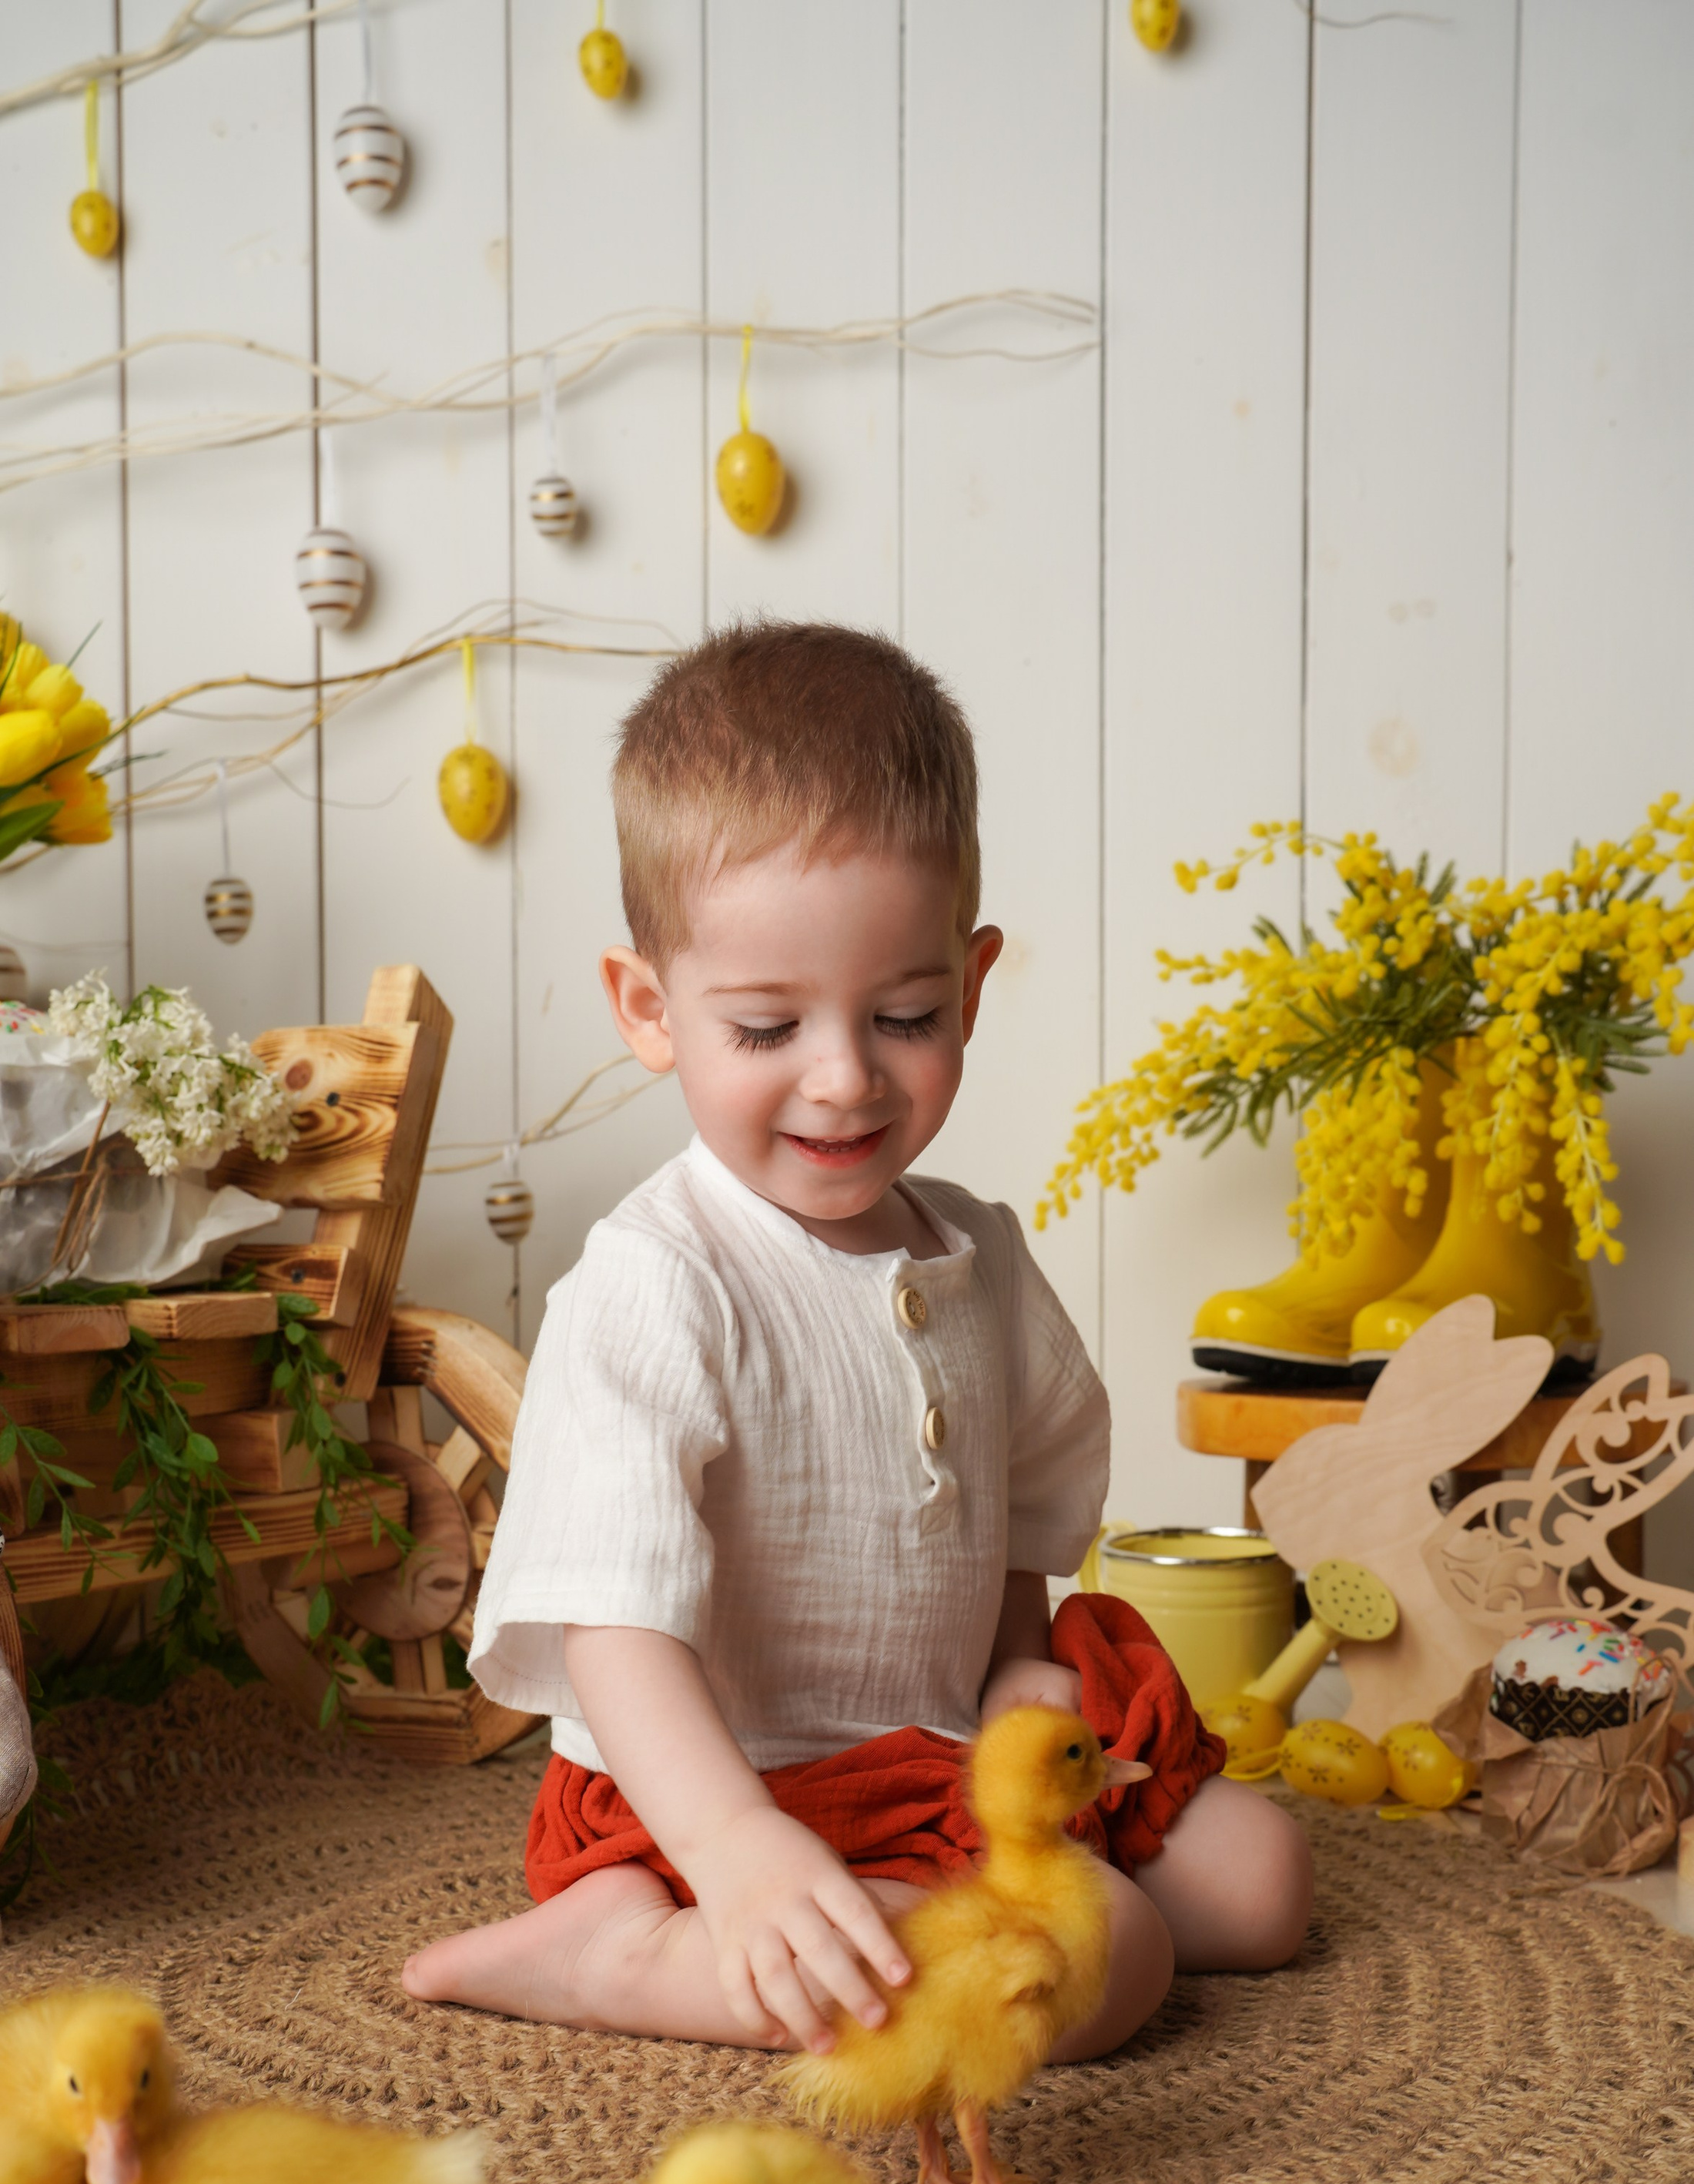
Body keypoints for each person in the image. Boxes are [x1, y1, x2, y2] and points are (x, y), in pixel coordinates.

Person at [403, 621, 1311, 2058]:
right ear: (650, 1008)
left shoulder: (977, 1256)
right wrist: (738, 1847)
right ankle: (620, 1949)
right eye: (766, 1029)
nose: (844, 1080)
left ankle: (839, 1916)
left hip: (941, 1760)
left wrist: (1020, 1661)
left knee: (1263, 1889)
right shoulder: (658, 1282)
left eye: (905, 1015)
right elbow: (614, 1623)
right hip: (712, 1787)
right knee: (1107, 1961)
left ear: (972, 979)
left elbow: (1021, 1489)